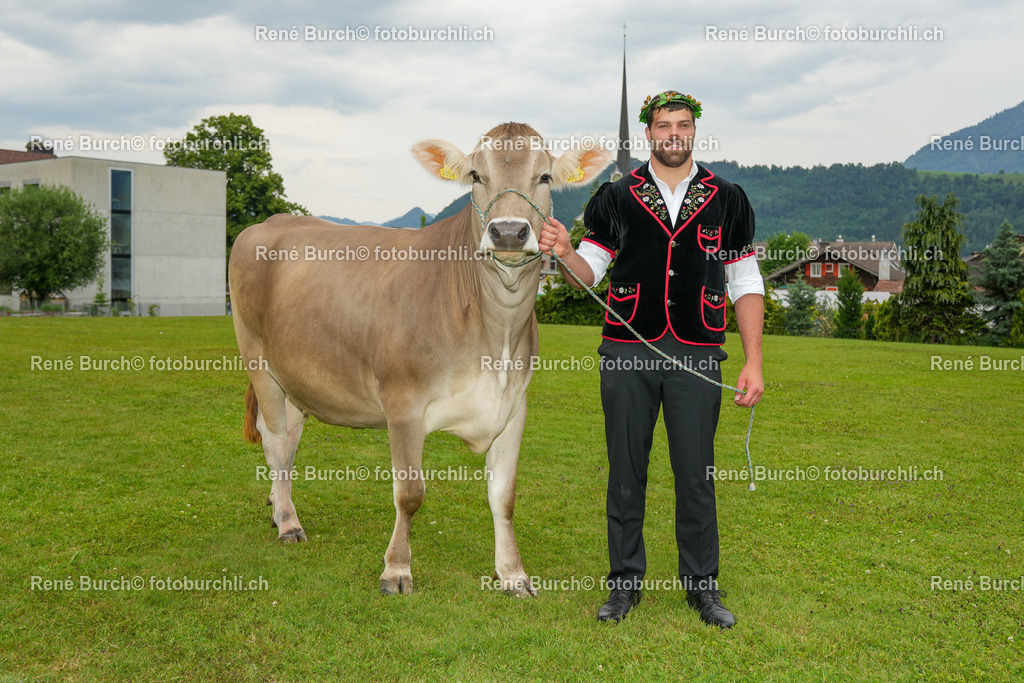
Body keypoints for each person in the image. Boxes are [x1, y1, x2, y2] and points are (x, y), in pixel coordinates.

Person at [538, 91, 765, 628]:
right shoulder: (616, 197)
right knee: (625, 473)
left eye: (682, 126)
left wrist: (753, 360)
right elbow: (588, 272)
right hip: (626, 350)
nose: (673, 135)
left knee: (695, 474)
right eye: (663, 126)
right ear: (649, 135)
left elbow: (746, 280)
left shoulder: (728, 197)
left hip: (697, 351)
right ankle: (623, 586)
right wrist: (568, 252)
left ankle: (702, 587)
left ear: (694, 132)